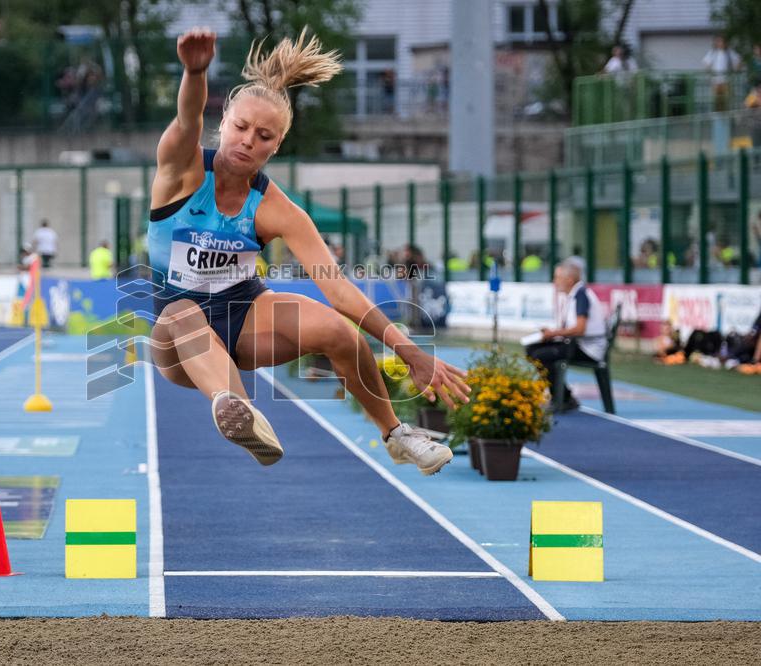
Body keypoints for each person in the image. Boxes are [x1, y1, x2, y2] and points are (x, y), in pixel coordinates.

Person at [146, 28, 469, 474]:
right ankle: (235, 408)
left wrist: (406, 349)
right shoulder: (180, 171)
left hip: (242, 318)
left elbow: (338, 290)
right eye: (240, 127)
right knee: (184, 312)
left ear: (277, 145)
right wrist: (195, 72)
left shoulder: (278, 209)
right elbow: (186, 121)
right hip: (176, 337)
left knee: (338, 331)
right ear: (224, 124)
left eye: (264, 136)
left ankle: (396, 433)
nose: (248, 141)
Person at [524, 258, 607, 412]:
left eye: (557, 278)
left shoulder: (581, 295)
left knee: (542, 354)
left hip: (588, 349)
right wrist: (551, 333)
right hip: (577, 344)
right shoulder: (575, 294)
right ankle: (564, 396)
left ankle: (562, 398)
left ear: (569, 280)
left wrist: (554, 333)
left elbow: (580, 329)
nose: (554, 281)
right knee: (532, 349)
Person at [702, 36, 741, 112]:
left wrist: (735, 70)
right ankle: (717, 115)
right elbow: (706, 63)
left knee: (726, 99)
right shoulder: (713, 52)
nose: (719, 44)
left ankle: (726, 114)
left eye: (721, 42)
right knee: (716, 99)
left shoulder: (729, 52)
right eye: (718, 42)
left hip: (726, 80)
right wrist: (710, 73)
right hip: (715, 80)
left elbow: (738, 61)